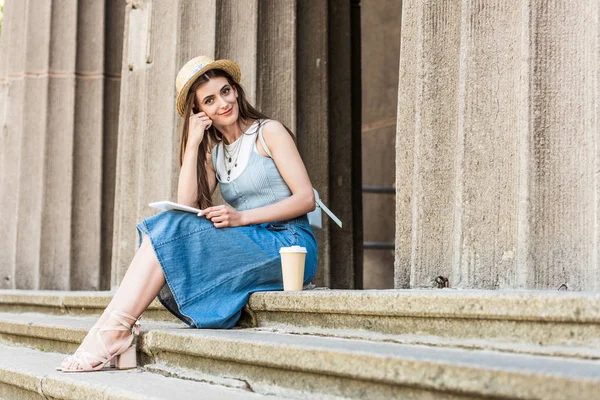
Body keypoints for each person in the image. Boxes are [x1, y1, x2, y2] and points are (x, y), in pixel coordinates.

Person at [58, 56, 318, 372]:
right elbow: (186, 206)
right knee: (169, 226)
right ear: (200, 112)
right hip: (252, 243)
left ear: (236, 90)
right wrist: (193, 143)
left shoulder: (269, 132)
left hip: (290, 244)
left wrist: (240, 218)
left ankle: (113, 333)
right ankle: (115, 330)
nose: (223, 103)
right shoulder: (217, 153)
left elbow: (306, 199)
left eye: (225, 91)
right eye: (210, 100)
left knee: (168, 232)